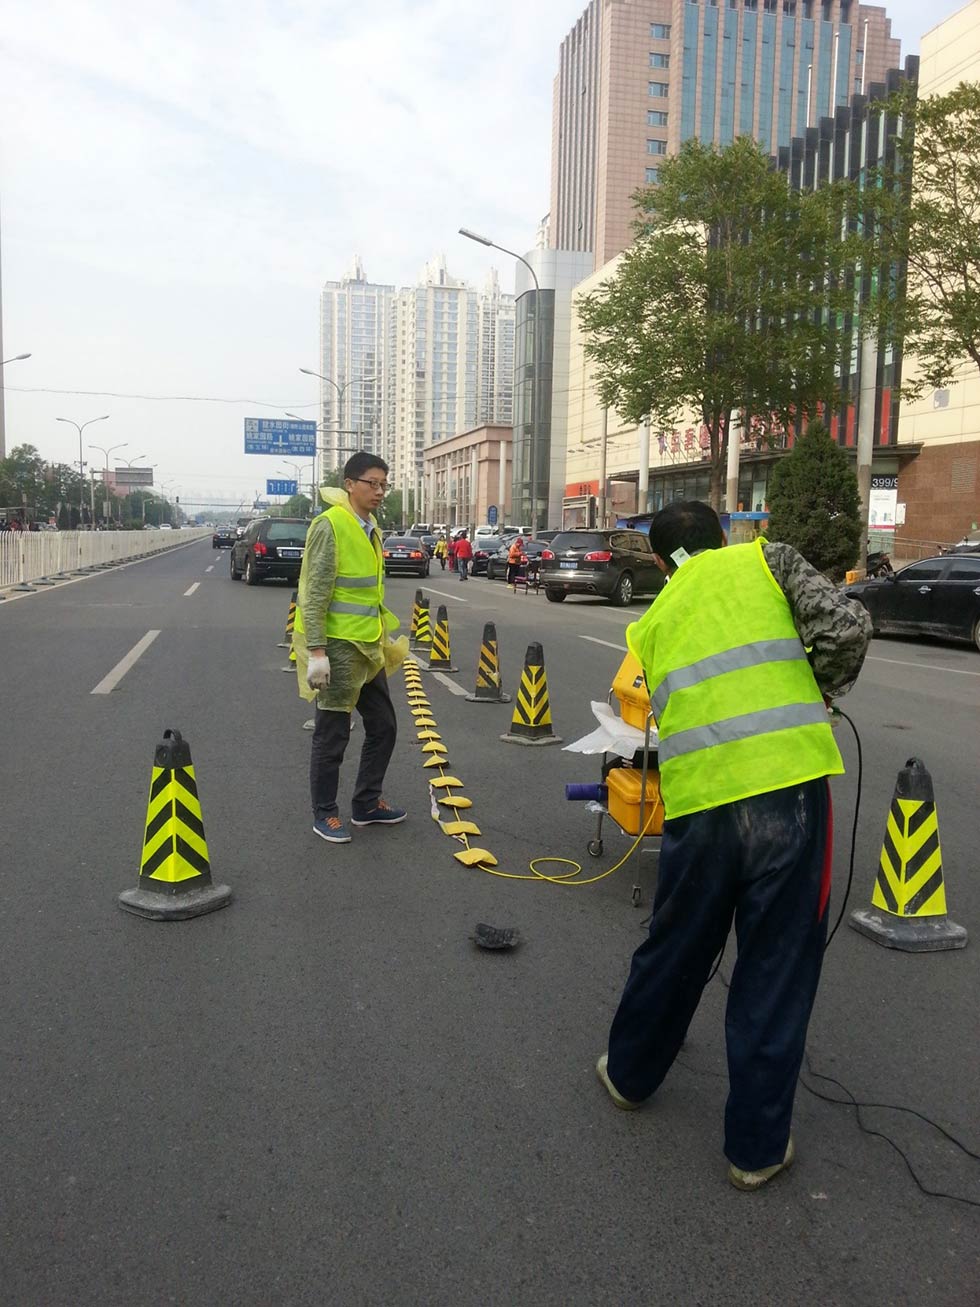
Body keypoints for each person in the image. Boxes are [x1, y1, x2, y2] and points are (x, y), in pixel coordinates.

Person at [595, 501, 872, 1191]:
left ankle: (628, 1074)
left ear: (660, 563)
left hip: (699, 803)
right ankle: (754, 1150)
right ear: (725, 536)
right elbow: (847, 627)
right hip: (789, 789)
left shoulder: (650, 621)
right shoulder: (767, 560)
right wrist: (821, 688)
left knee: (677, 944)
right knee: (774, 967)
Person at [292, 452, 409, 845]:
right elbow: (315, 592)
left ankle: (367, 803)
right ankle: (325, 813)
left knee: (384, 727)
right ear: (349, 483)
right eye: (371, 483)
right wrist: (318, 651)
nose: (379, 492)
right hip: (339, 648)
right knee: (333, 733)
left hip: (368, 647)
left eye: (383, 485)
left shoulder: (370, 526)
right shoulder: (332, 525)